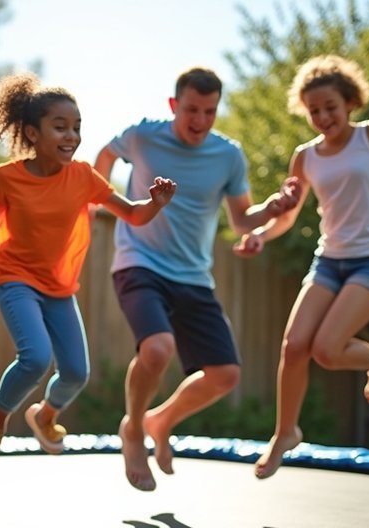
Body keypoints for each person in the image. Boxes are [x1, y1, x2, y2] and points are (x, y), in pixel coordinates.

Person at [0, 72, 177, 479]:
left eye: (77, 127)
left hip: (59, 288)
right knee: (35, 358)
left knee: (77, 373)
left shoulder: (82, 176)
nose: (72, 135)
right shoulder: (8, 178)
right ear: (32, 132)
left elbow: (132, 214)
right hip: (15, 278)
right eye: (60, 126)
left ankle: (45, 415)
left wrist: (156, 203)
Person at [234, 54, 369, 479]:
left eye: (330, 106)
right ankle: (285, 432)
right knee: (294, 346)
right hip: (330, 259)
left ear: (350, 101)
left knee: (328, 351)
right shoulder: (305, 156)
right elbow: (289, 215)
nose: (322, 116)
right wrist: (261, 235)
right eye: (313, 111)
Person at [94, 67, 300, 491]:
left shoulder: (228, 155)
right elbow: (105, 156)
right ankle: (133, 429)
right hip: (139, 261)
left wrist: (275, 208)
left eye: (209, 111)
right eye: (191, 110)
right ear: (174, 105)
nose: (200, 121)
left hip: (193, 275)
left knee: (225, 375)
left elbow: (243, 220)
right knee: (157, 347)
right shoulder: (143, 135)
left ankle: (160, 420)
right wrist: (103, 202)